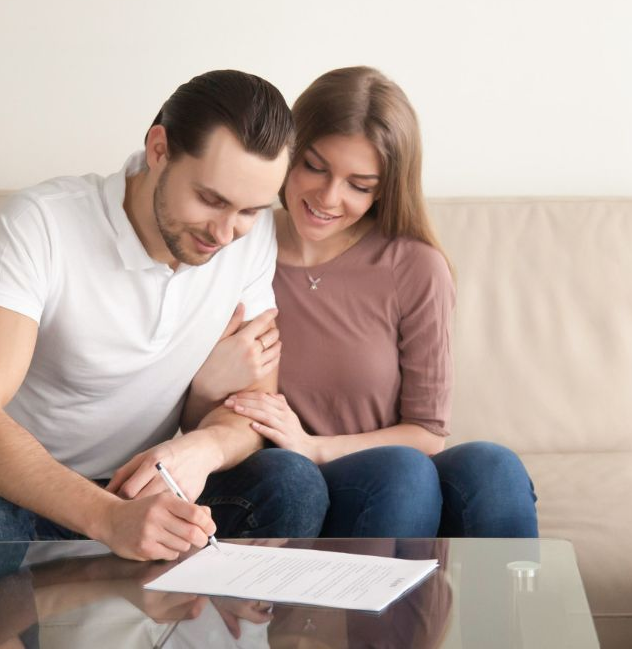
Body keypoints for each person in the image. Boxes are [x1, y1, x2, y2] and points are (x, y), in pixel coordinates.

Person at [188, 66, 537, 539]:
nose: (328, 197)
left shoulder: (413, 266)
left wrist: (314, 446)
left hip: (368, 474)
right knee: (402, 473)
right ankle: (373, 612)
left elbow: (428, 433)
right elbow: (193, 418)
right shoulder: (236, 239)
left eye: (360, 184)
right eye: (314, 166)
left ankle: (505, 614)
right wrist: (210, 385)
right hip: (280, 482)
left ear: (385, 188)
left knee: (492, 466)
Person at [0, 70, 329, 561]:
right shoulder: (41, 226)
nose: (224, 233)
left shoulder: (248, 239)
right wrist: (107, 517)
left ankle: (211, 630)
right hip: (27, 493)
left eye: (249, 210)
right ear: (159, 150)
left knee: (293, 483)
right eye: (211, 200)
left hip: (146, 490)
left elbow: (253, 410)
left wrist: (201, 450)